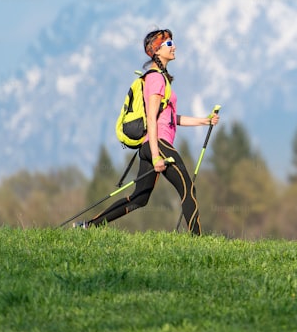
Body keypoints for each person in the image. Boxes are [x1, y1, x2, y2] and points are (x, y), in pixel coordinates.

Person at [76, 28, 219, 235]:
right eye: (169, 44)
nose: (174, 46)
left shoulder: (160, 78)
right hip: (157, 145)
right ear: (157, 50)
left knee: (139, 198)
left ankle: (88, 226)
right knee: (188, 188)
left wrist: (204, 121)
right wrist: (155, 156)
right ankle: (198, 239)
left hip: (151, 145)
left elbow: (170, 118)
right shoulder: (155, 79)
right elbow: (151, 118)